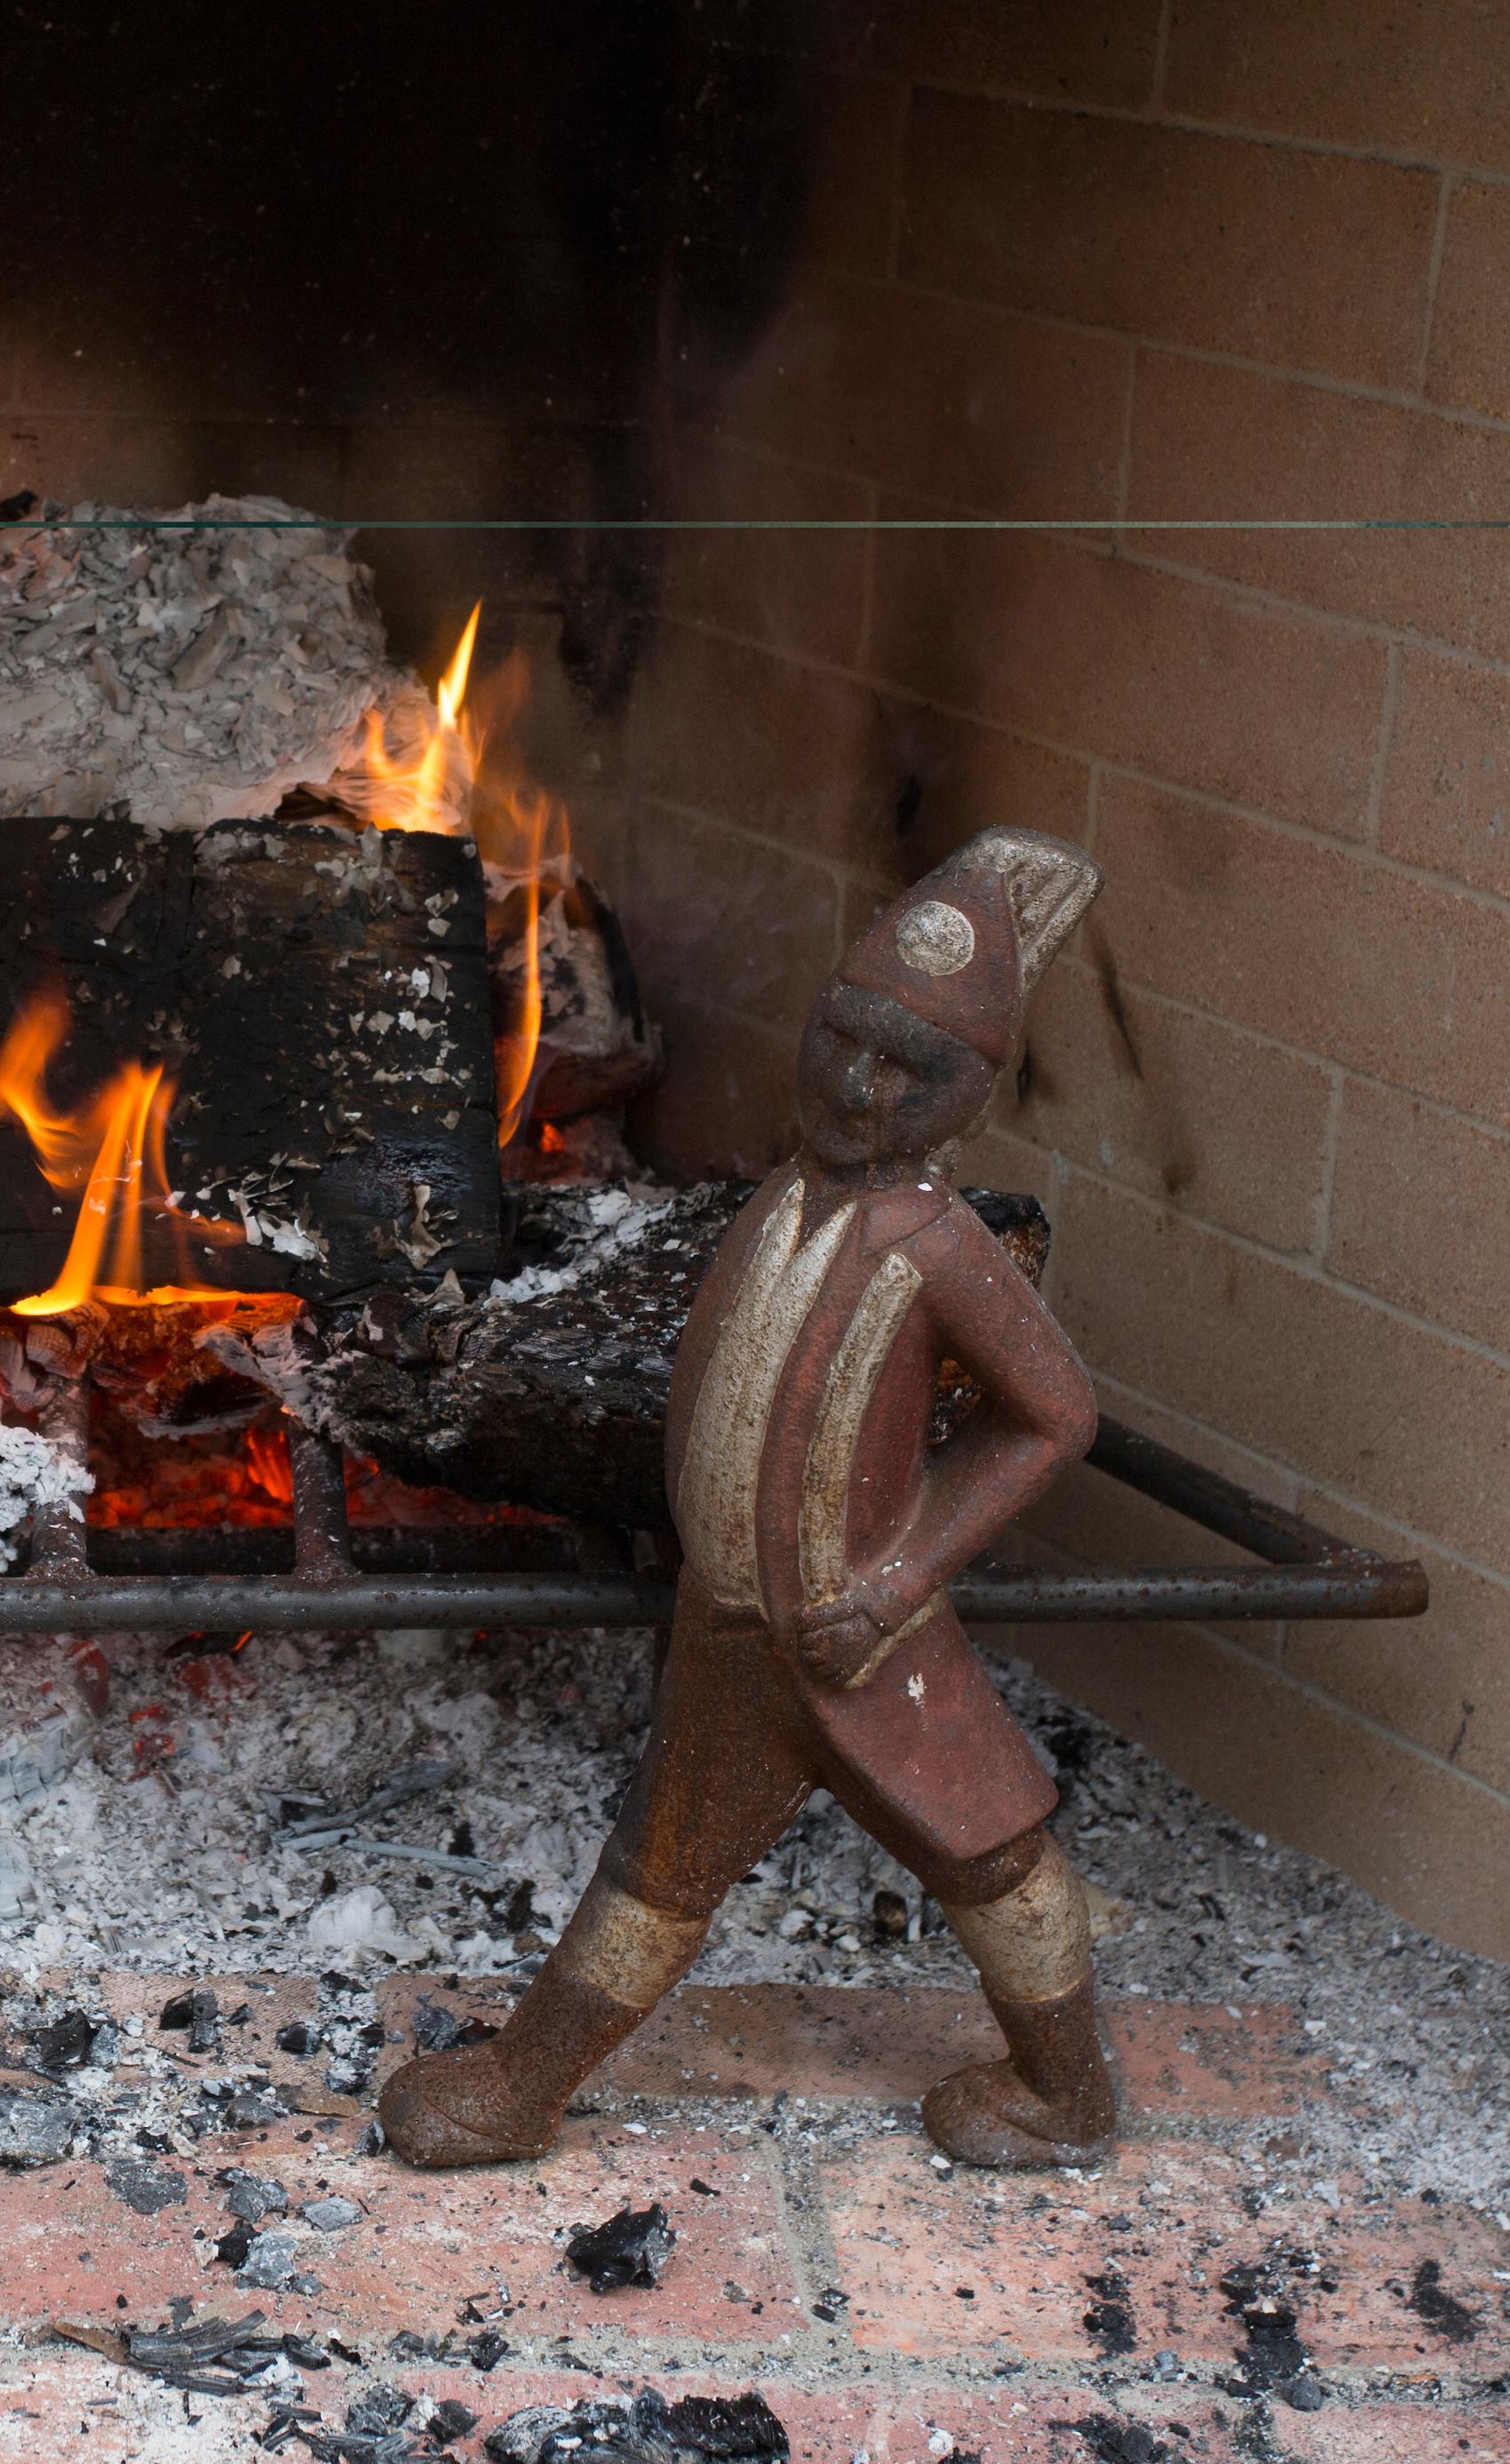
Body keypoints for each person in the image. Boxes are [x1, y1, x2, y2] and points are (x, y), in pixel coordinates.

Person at [378, 827, 1117, 2173]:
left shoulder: (940, 1247)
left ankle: (1068, 2093)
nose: (858, 1083)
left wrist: (895, 1581)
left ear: (970, 1096)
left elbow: (1054, 1415)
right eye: (842, 1038)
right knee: (656, 1873)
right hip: (736, 1636)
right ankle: (526, 2084)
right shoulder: (786, 1199)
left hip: (860, 1640)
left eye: (910, 1069)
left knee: (993, 1859)